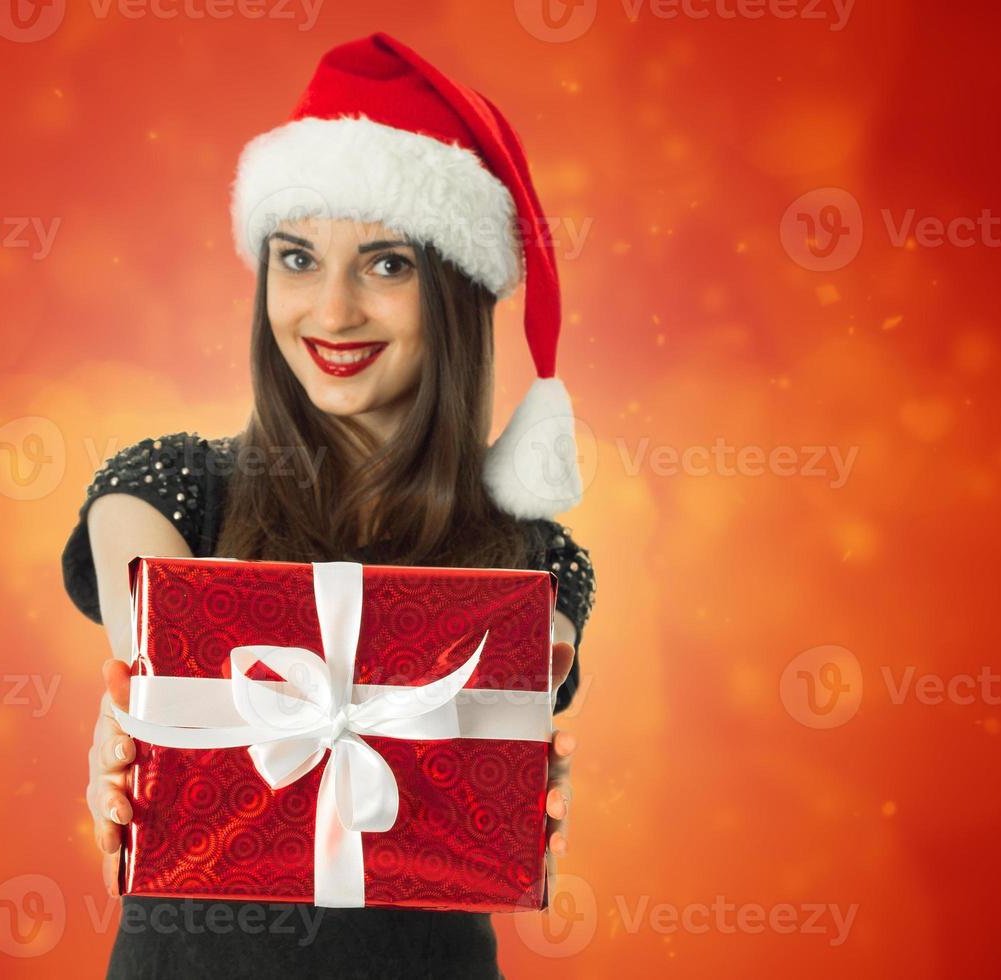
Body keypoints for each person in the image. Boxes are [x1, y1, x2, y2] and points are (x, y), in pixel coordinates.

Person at [61, 32, 597, 980]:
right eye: (298, 258)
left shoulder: (530, 555)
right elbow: (160, 652)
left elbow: (521, 711)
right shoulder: (163, 490)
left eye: (386, 265)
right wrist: (136, 730)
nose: (332, 311)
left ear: (456, 291)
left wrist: (518, 779)